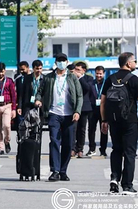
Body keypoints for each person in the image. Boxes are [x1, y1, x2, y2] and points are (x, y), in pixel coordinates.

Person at [100, 52, 138, 194]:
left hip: (114, 120)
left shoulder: (110, 79)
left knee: (116, 149)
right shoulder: (135, 80)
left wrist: (104, 120)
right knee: (129, 152)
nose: (135, 63)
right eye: (134, 61)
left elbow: (103, 102)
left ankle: (114, 179)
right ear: (128, 63)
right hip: (130, 121)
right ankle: (127, 185)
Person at [35, 53, 82, 182]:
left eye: (63, 60)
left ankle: (63, 170)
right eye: (59, 61)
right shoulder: (49, 77)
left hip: (69, 115)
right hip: (53, 113)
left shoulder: (72, 78)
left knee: (67, 144)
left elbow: (79, 96)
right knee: (54, 141)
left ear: (67, 62)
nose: (61, 63)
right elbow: (40, 91)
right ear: (56, 62)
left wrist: (77, 111)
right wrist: (38, 100)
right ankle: (55, 170)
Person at [0, 62, 17, 155]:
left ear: (5, 71)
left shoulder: (9, 81)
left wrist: (14, 109)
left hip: (7, 105)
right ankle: (0, 147)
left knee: (7, 125)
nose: (1, 74)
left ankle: (7, 140)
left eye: (2, 71)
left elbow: (13, 95)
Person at [73, 61, 95, 158]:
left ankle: (80, 149)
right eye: (75, 69)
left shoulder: (88, 78)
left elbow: (87, 88)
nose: (76, 72)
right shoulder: (71, 78)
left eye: (78, 70)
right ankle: (72, 148)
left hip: (84, 107)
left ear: (84, 70)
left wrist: (80, 77)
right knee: (73, 129)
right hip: (73, 107)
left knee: (82, 129)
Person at [87, 65, 108, 157]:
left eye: (100, 74)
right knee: (91, 129)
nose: (99, 75)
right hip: (92, 109)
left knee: (104, 129)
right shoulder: (91, 83)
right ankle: (92, 148)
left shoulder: (107, 83)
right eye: (97, 73)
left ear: (104, 74)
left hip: (104, 109)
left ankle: (103, 150)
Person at [14, 61, 30, 128]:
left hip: (30, 104)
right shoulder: (18, 79)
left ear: (28, 68)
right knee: (21, 124)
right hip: (21, 104)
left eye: (23, 69)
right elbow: (17, 92)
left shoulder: (32, 78)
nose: (22, 71)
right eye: (20, 69)